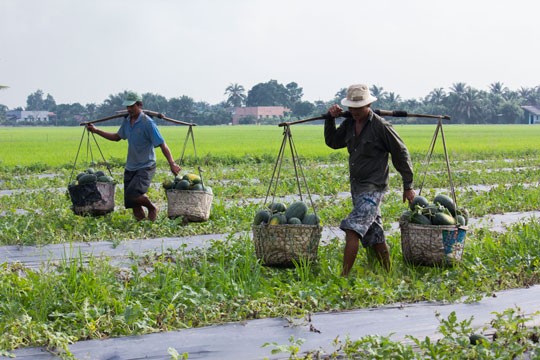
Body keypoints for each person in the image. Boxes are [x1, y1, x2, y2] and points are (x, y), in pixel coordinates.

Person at [324, 84, 416, 275]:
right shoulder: (349, 123)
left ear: (368, 106)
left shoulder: (381, 127)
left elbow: (401, 153)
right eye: (352, 108)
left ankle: (343, 277)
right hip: (357, 186)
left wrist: (408, 186)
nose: (355, 112)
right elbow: (334, 142)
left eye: (359, 107)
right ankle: (388, 273)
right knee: (375, 233)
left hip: (374, 187)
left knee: (352, 229)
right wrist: (330, 120)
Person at [86, 91, 181, 221]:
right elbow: (116, 137)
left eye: (132, 106)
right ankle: (142, 225)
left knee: (134, 194)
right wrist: (96, 131)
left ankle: (152, 207)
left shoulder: (148, 123)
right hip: (130, 166)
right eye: (127, 107)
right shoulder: (127, 121)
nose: (129, 109)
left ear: (139, 105)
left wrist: (172, 163)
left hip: (146, 165)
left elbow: (162, 144)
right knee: (132, 202)